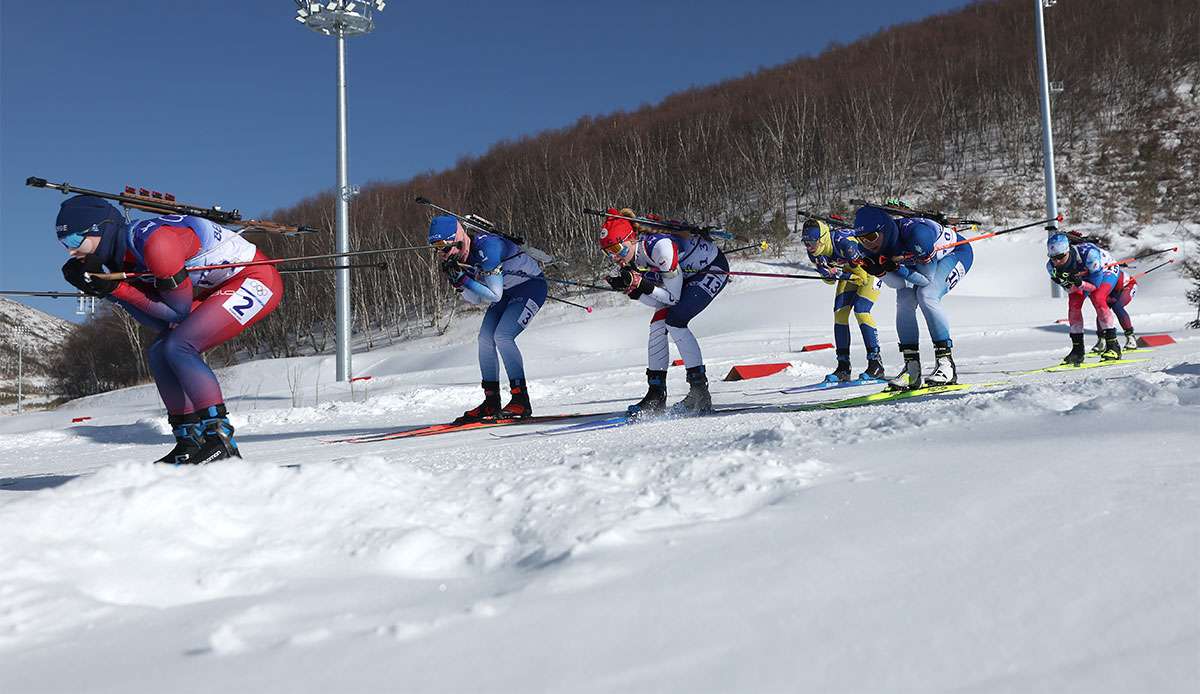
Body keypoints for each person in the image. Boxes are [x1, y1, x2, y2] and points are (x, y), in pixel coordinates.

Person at [56, 195, 283, 464]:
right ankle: (190, 440)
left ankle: (221, 440)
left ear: (101, 230)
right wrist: (108, 291)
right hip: (220, 286)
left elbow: (177, 312)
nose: (71, 251)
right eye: (64, 244)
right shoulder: (123, 258)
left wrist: (117, 289)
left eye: (74, 241)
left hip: (256, 279)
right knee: (160, 350)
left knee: (180, 346)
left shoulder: (155, 244)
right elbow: (162, 321)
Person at [597, 208, 729, 416]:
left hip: (711, 269)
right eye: (608, 252)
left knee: (676, 320)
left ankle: (699, 391)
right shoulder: (635, 256)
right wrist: (633, 291)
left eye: (617, 248)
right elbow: (656, 299)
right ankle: (656, 394)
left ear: (631, 239)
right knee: (658, 324)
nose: (615, 257)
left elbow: (672, 298)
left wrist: (642, 284)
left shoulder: (659, 247)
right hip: (684, 276)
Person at [428, 214, 547, 422]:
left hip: (530, 287)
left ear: (458, 240)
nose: (442, 254)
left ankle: (521, 400)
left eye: (445, 248)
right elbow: (474, 298)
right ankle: (491, 402)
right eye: (437, 249)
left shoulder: (487, 249)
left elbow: (494, 295)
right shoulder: (463, 257)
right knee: (485, 339)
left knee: (503, 336)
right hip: (507, 291)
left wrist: (464, 278)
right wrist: (458, 282)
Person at [853, 205, 974, 391]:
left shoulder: (918, 234)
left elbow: (926, 280)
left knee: (927, 296)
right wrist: (883, 272)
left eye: (871, 237)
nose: (867, 243)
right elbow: (898, 285)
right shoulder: (868, 247)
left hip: (955, 253)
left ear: (883, 229)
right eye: (861, 239)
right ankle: (912, 369)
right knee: (904, 302)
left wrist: (897, 268)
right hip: (916, 263)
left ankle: (946, 364)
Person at [800, 219, 885, 383]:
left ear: (822, 238)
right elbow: (830, 280)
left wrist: (839, 275)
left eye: (812, 242)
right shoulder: (814, 253)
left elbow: (861, 276)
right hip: (851, 272)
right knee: (839, 314)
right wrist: (828, 275)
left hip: (871, 270)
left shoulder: (844, 243)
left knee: (861, 310)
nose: (809, 246)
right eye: (806, 242)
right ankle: (843, 367)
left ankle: (876, 364)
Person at [1046, 233, 1123, 363]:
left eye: (1060, 257)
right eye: (1053, 258)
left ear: (1068, 251)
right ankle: (1078, 350)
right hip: (1084, 276)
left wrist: (1079, 283)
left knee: (1098, 298)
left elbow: (1094, 286)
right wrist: (1068, 283)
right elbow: (1070, 290)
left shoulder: (1089, 254)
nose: (1057, 261)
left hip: (1105, 270)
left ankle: (1113, 346)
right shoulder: (1051, 267)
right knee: (1074, 305)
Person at [1092, 268, 1138, 352]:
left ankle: (1131, 337)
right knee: (1101, 310)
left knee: (1117, 306)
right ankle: (1102, 341)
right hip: (1111, 290)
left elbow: (1115, 292)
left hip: (1127, 286)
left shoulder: (1106, 273)